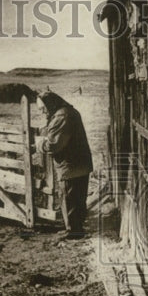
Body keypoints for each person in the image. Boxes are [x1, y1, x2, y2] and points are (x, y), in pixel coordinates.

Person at [37, 89, 93, 240]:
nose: (42, 112)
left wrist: (40, 144)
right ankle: (75, 228)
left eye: (43, 108)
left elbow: (54, 144)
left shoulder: (62, 116)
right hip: (79, 163)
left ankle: (73, 231)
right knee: (77, 197)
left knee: (69, 197)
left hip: (71, 164)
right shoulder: (66, 112)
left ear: (50, 104)